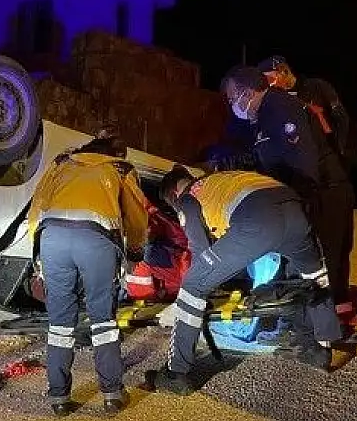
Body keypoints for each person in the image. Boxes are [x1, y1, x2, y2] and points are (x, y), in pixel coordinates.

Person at [143, 166, 338, 395]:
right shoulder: (220, 180)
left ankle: (176, 374)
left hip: (258, 219)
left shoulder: (188, 197)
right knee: (315, 277)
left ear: (174, 194)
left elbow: (199, 250)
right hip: (295, 208)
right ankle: (319, 350)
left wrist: (201, 288)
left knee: (193, 284)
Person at [220, 66, 352, 337]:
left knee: (316, 266)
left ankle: (310, 335)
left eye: (233, 98)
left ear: (248, 91)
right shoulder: (263, 116)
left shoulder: (279, 108)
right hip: (309, 194)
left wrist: (295, 207)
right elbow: (272, 159)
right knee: (311, 265)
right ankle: (317, 330)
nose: (233, 104)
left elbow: (303, 162)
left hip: (322, 193)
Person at [26, 135, 149, 416]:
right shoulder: (119, 169)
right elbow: (136, 216)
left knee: (59, 323)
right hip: (96, 240)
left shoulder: (62, 164)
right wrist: (136, 251)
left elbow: (37, 209)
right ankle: (111, 395)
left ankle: (58, 398)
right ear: (116, 152)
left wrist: (38, 256)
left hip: (52, 239)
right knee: (102, 319)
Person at [257, 57, 357, 323]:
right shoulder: (271, 109)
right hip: (304, 188)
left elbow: (340, 122)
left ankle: (339, 310)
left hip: (330, 181)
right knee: (310, 251)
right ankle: (315, 313)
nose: (269, 85)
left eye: (270, 78)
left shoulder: (314, 89)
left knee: (335, 248)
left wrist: (338, 156)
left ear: (283, 72)